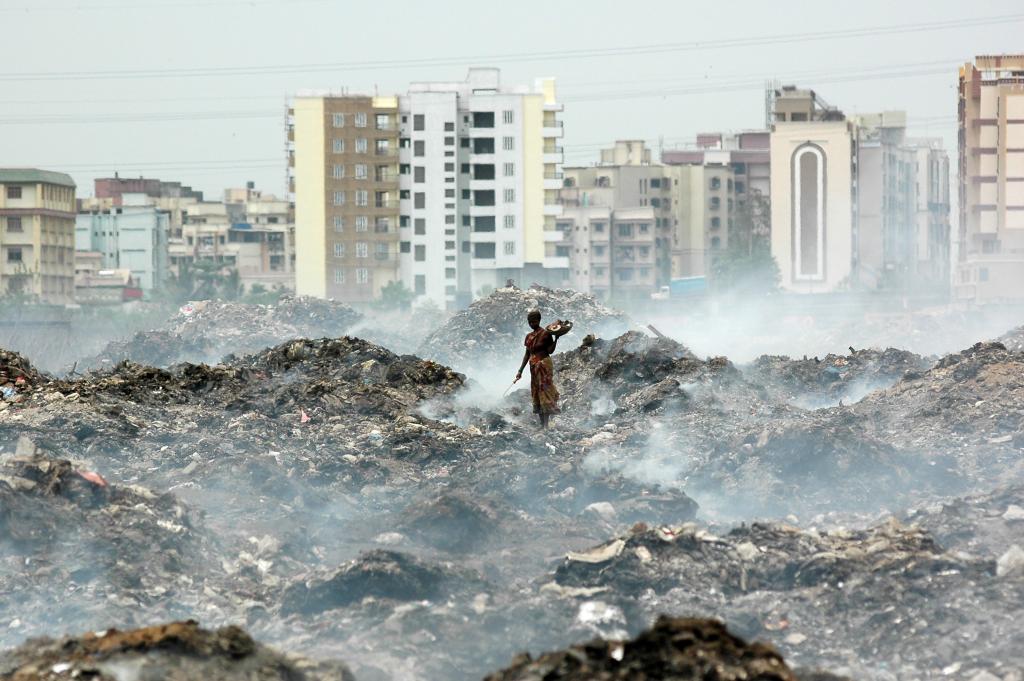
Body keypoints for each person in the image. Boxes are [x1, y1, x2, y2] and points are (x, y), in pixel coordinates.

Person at [515, 309, 561, 429]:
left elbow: (550, 351)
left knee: (544, 390)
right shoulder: (528, 337)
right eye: (530, 322)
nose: (532, 324)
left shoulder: (546, 334)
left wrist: (556, 339)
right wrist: (520, 371)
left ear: (539, 320)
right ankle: (542, 424)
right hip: (533, 367)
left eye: (534, 321)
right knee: (536, 392)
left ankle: (546, 425)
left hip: (544, 365)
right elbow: (527, 354)